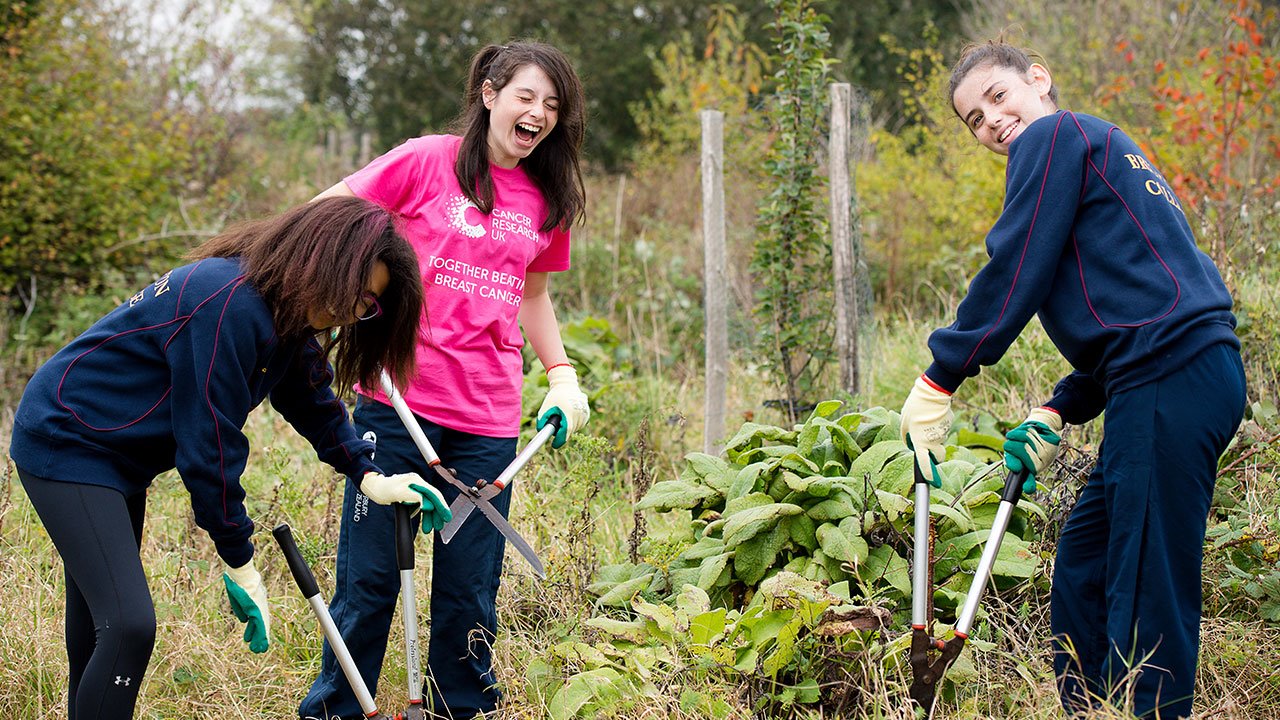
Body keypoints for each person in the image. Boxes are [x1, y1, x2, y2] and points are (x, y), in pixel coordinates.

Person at [898, 38, 1246, 719]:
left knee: (1147, 591)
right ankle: (1092, 709)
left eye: (998, 98)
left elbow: (1015, 264)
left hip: (1169, 376)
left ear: (1039, 80)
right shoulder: (1094, 149)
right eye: (975, 118)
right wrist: (1062, 406)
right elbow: (1136, 303)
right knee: (1085, 567)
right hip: (1170, 372)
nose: (993, 122)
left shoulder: (1055, 137)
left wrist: (942, 376)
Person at [9, 196, 454, 719]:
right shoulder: (228, 302)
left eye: (365, 304)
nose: (347, 311)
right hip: (68, 440)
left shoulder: (285, 313)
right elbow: (209, 439)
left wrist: (370, 476)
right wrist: (240, 557)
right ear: (320, 258)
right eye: (351, 291)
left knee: (102, 619)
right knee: (129, 624)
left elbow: (312, 400)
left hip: (116, 456)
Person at [299, 40, 591, 720]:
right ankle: (339, 711)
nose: (538, 114)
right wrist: (342, 293)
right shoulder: (424, 159)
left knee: (468, 595)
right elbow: (328, 211)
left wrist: (563, 375)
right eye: (526, 96)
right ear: (489, 94)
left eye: (552, 105)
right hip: (396, 406)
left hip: (487, 421)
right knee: (369, 582)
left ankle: (461, 710)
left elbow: (534, 296)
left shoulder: (544, 196)